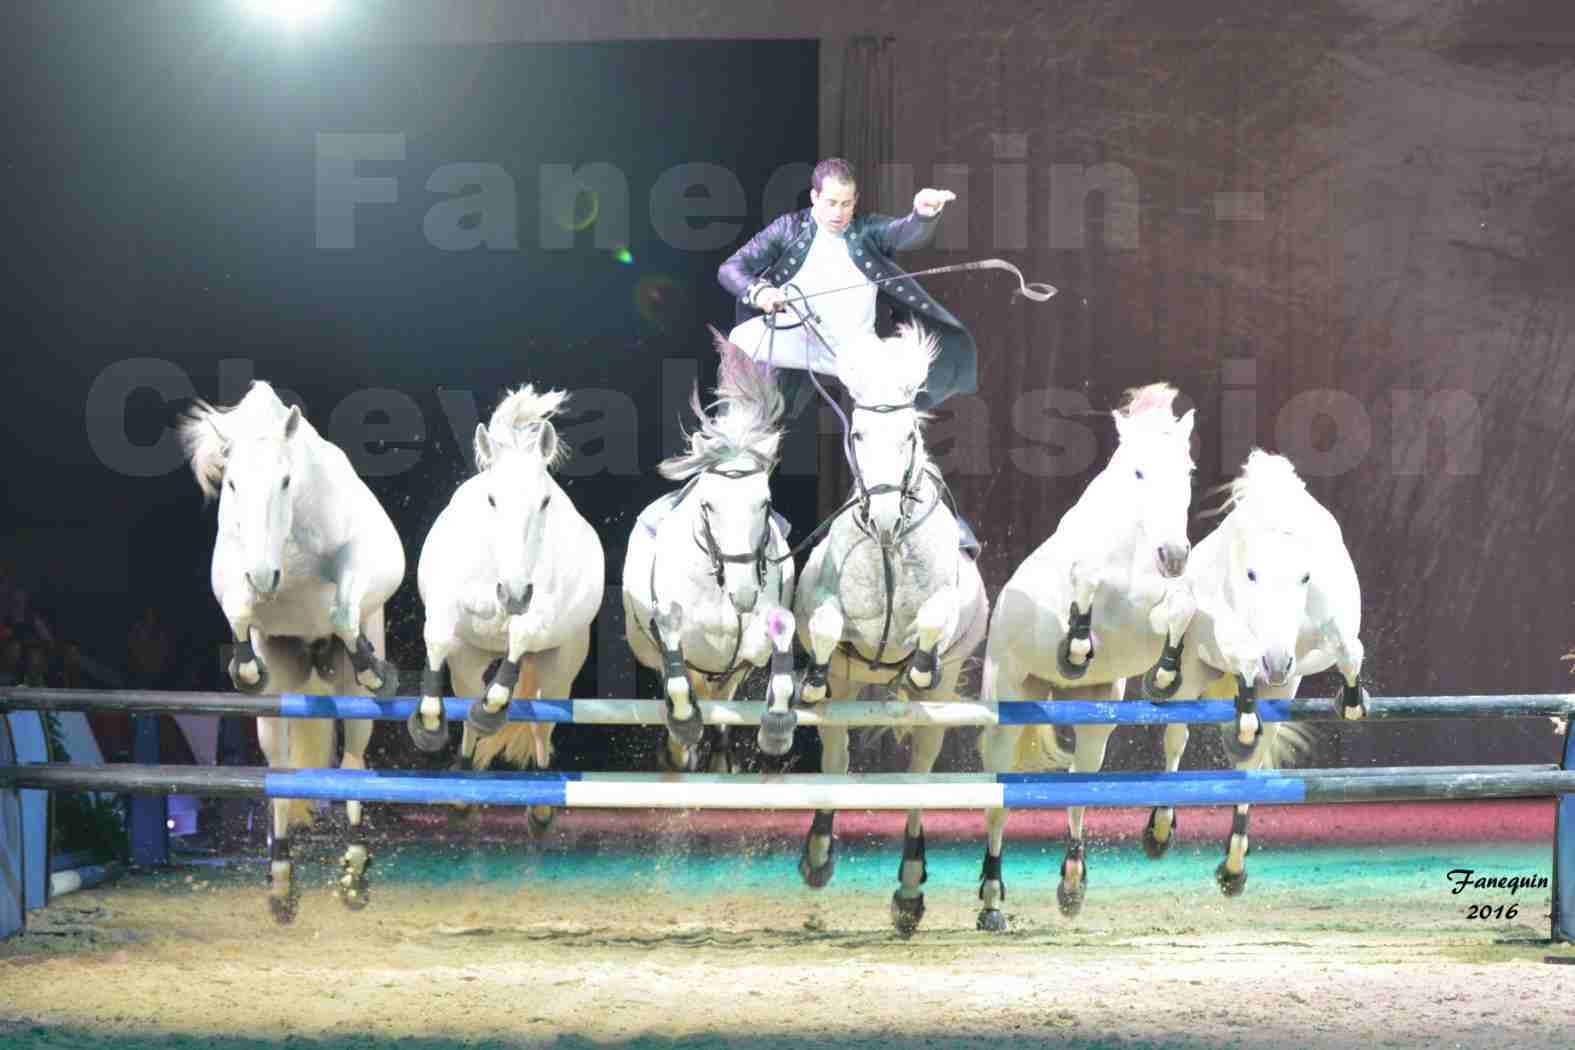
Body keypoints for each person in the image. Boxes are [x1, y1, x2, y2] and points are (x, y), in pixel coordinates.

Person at [716, 157, 980, 557]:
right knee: (744, 355)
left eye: (847, 204)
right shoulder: (789, 228)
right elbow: (731, 268)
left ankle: (944, 515)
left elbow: (902, 233)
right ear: (814, 198)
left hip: (855, 346)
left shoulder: (865, 230)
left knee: (895, 422)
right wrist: (760, 292)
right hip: (797, 338)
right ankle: (733, 505)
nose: (839, 213)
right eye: (831, 203)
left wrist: (922, 215)